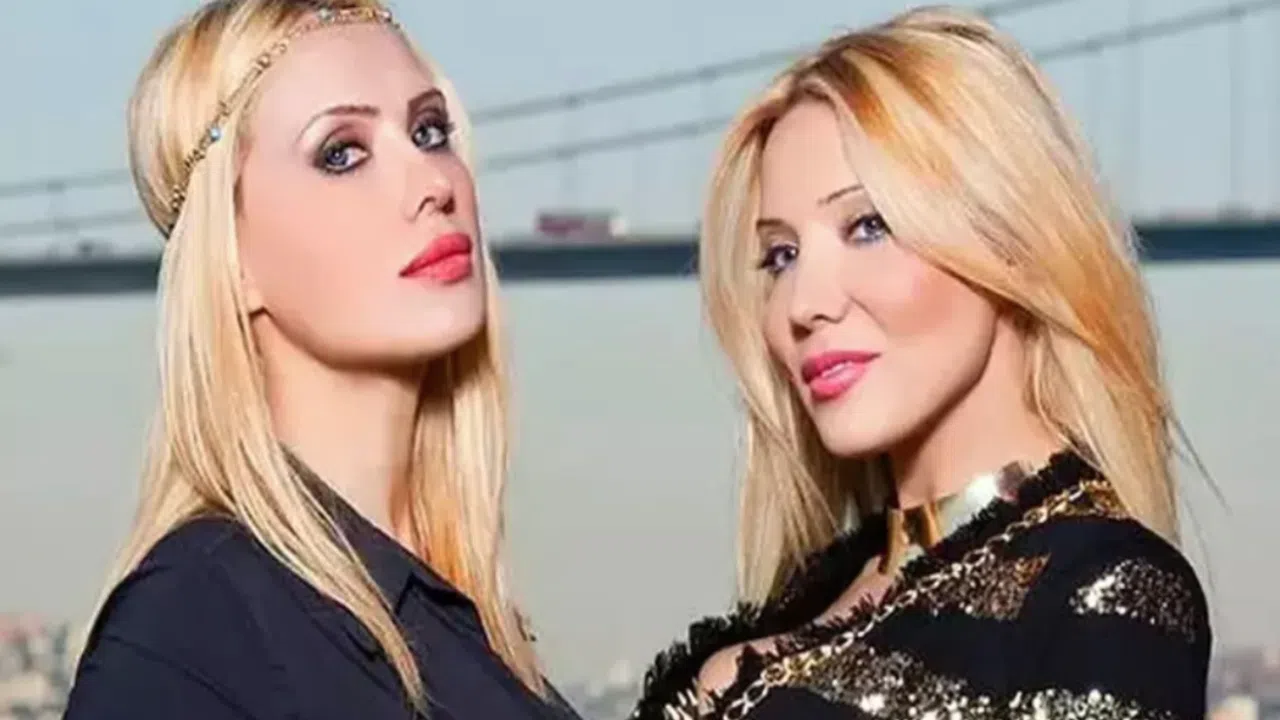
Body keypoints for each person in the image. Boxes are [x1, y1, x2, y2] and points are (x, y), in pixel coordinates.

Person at [631, 6, 1211, 720]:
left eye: (867, 226)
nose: (802, 304)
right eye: (781, 256)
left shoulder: (1106, 591)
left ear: (1010, 241)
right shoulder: (824, 596)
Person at [63, 2, 579, 718]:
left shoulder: (464, 623)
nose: (434, 183)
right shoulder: (192, 627)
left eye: (430, 132)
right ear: (233, 261)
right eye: (342, 153)